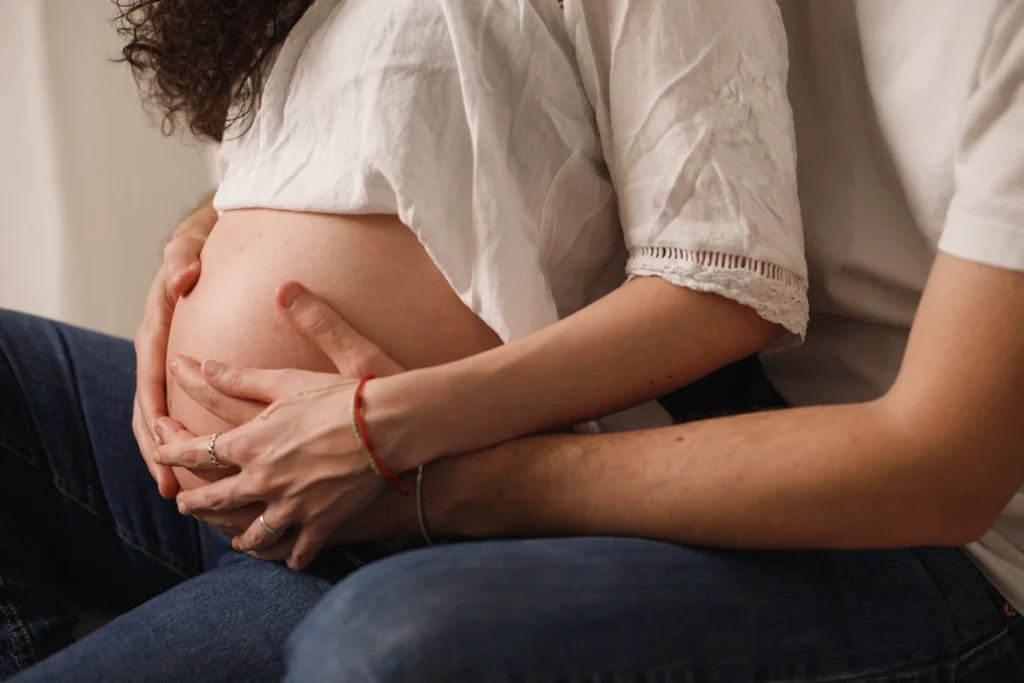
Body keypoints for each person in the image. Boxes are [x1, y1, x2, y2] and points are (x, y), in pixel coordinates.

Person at [1, 0, 806, 681]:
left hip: (411, 507)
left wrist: (389, 424)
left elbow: (730, 290)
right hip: (207, 481)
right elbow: (358, 156)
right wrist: (193, 245)